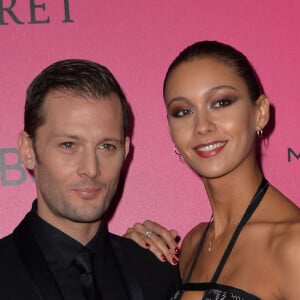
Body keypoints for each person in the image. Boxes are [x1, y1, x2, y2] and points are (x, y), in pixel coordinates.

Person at [125, 41, 300, 299]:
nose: (202, 126)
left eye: (221, 102)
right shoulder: (191, 246)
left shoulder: (293, 245)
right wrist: (127, 254)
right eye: (183, 111)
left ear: (260, 112)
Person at [0, 59, 180, 300]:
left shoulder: (156, 271)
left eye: (106, 146)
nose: (91, 169)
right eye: (69, 145)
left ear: (125, 151)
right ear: (28, 150)